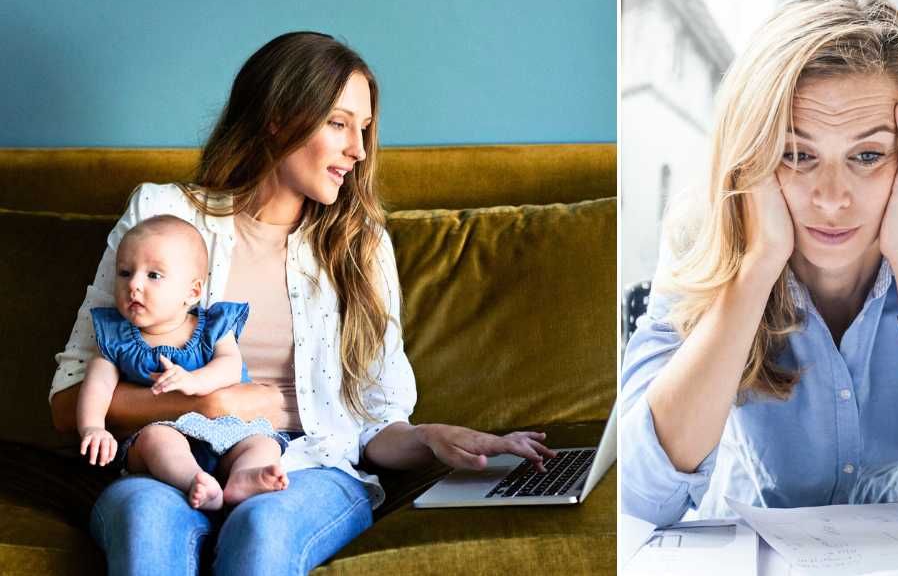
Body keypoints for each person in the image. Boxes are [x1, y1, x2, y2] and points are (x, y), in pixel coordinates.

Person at [49, 31, 555, 575]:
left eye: (363, 130)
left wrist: (433, 438)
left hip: (309, 468)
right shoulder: (161, 214)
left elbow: (374, 427)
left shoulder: (361, 245)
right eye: (339, 124)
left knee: (264, 526)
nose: (358, 151)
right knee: (146, 519)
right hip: (170, 459)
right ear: (278, 118)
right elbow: (66, 401)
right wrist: (210, 407)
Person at [619, 0, 898, 527]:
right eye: (797, 155)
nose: (832, 199)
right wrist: (760, 263)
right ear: (753, 156)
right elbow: (647, 495)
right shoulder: (702, 238)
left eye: (867, 156)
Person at [77, 215, 289, 511]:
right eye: (125, 273)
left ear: (192, 291)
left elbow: (230, 365)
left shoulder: (212, 326)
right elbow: (97, 384)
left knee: (262, 442)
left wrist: (196, 381)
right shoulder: (117, 337)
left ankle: (243, 477)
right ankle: (195, 481)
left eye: (154, 275)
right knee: (157, 439)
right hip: (163, 431)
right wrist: (93, 427)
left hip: (226, 430)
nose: (134, 285)